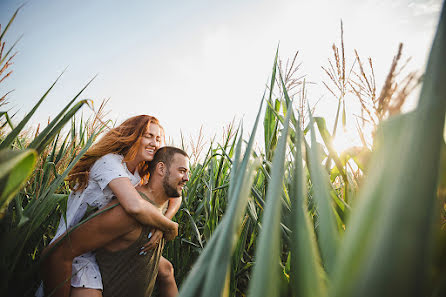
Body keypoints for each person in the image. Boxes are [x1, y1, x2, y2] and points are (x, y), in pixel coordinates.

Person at [36, 115, 180, 297]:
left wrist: (163, 222)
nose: (154, 143)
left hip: (103, 243)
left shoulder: (138, 171)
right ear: (133, 136)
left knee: (166, 268)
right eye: (148, 136)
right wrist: (169, 227)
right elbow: (134, 206)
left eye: (158, 139)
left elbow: (176, 195)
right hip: (76, 245)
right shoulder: (109, 162)